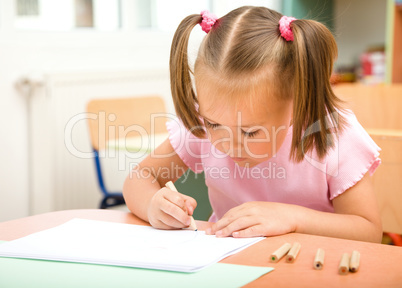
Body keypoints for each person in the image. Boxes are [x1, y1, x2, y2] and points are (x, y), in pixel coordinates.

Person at [123, 6, 382, 243]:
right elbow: (140, 178)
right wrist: (153, 204)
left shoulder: (334, 134)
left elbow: (367, 231)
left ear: (296, 99)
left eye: (249, 132)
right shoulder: (203, 123)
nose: (227, 144)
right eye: (213, 125)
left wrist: (292, 219)